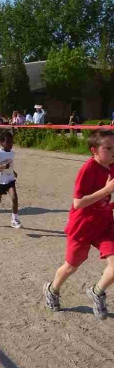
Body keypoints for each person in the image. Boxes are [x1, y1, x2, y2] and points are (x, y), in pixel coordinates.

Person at [44, 129, 114, 320]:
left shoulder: (112, 165)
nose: (112, 152)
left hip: (105, 224)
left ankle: (97, 291)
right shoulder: (88, 169)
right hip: (82, 225)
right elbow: (78, 202)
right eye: (107, 148)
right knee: (71, 266)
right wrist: (107, 189)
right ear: (94, 150)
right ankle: (52, 289)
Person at [0, 131, 22, 229]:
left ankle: (14, 220)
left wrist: (13, 171)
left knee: (14, 197)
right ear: (1, 142)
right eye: (8, 142)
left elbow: (9, 164)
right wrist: (2, 166)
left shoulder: (12, 153)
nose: (11, 144)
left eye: (12, 142)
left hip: (9, 178)